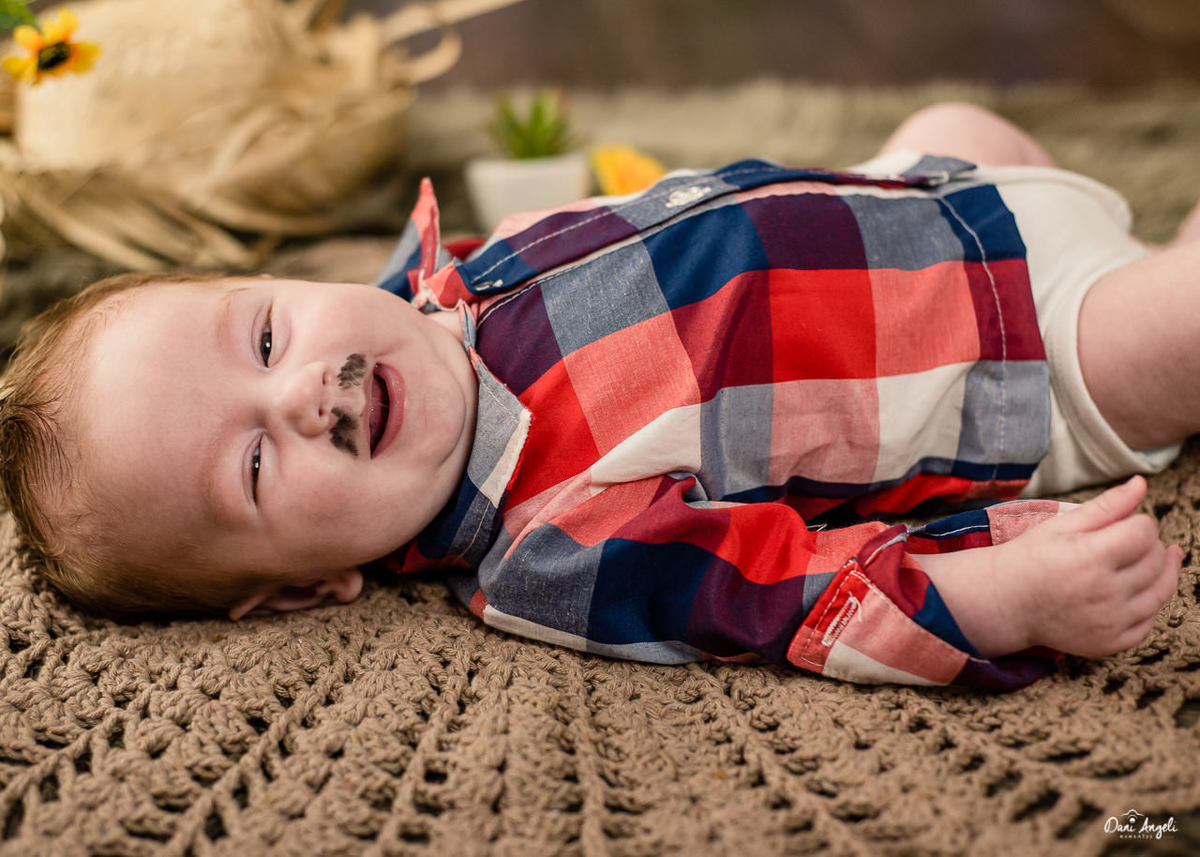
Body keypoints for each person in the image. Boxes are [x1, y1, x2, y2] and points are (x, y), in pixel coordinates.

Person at [0, 102, 1190, 691]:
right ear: (309, 586)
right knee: (1175, 321)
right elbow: (784, 594)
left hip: (932, 191)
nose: (306, 390)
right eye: (256, 465)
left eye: (265, 332)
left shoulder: (428, 294)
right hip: (1029, 354)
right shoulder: (552, 547)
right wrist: (999, 597)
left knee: (952, 117)